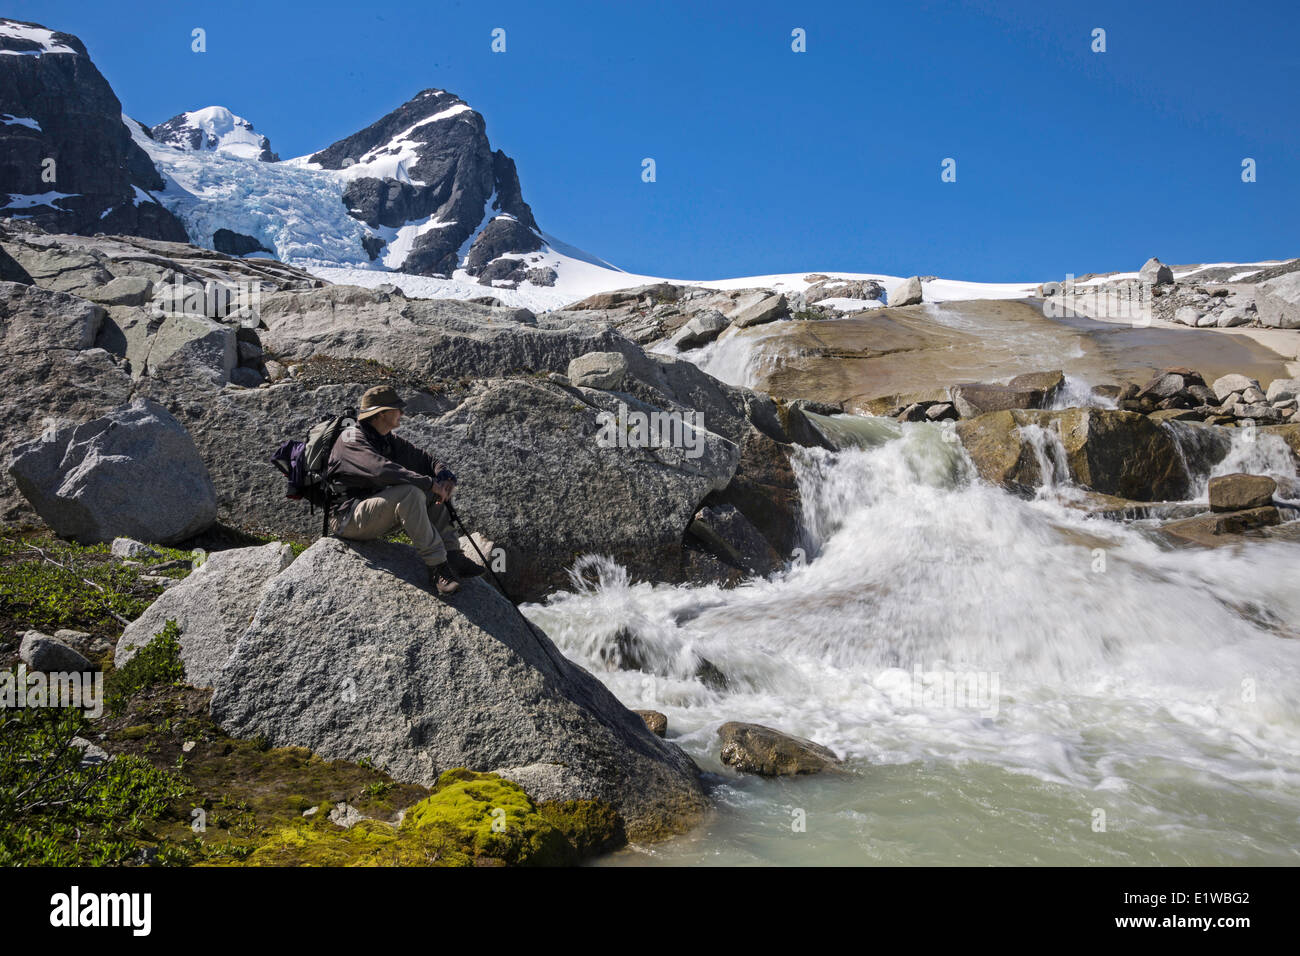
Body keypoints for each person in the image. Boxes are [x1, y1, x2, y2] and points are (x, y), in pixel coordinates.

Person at [327, 385, 485, 594]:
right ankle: (437, 567)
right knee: (411, 492)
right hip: (347, 519)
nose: (402, 413)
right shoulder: (350, 439)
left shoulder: (386, 439)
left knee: (428, 492)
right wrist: (430, 483)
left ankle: (452, 555)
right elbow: (379, 469)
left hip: (372, 512)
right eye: (397, 409)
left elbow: (426, 460)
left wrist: (444, 477)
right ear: (381, 413)